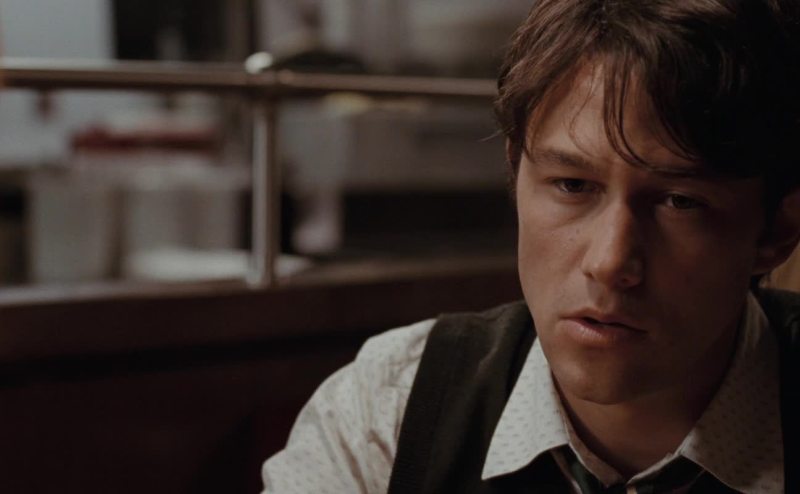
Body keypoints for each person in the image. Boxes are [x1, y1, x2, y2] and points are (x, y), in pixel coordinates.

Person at [262, 0, 800, 492]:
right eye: (573, 185)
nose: (610, 262)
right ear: (516, 174)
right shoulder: (392, 411)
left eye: (680, 202)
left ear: (776, 231)